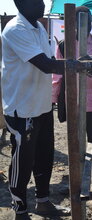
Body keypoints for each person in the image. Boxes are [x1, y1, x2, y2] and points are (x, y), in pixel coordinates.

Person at [1, 0, 69, 219]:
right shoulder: (16, 29)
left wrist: (82, 62)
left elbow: (49, 61)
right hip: (23, 108)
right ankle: (20, 208)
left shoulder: (38, 27)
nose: (41, 4)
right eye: (34, 1)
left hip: (41, 104)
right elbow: (45, 64)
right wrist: (80, 64)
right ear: (21, 4)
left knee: (44, 156)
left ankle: (42, 201)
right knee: (23, 160)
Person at [52, 6, 92, 192]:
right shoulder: (64, 45)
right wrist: (53, 100)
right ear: (71, 23)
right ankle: (76, 184)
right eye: (78, 21)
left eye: (86, 21)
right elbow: (57, 77)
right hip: (74, 104)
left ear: (90, 22)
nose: (83, 25)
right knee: (75, 146)